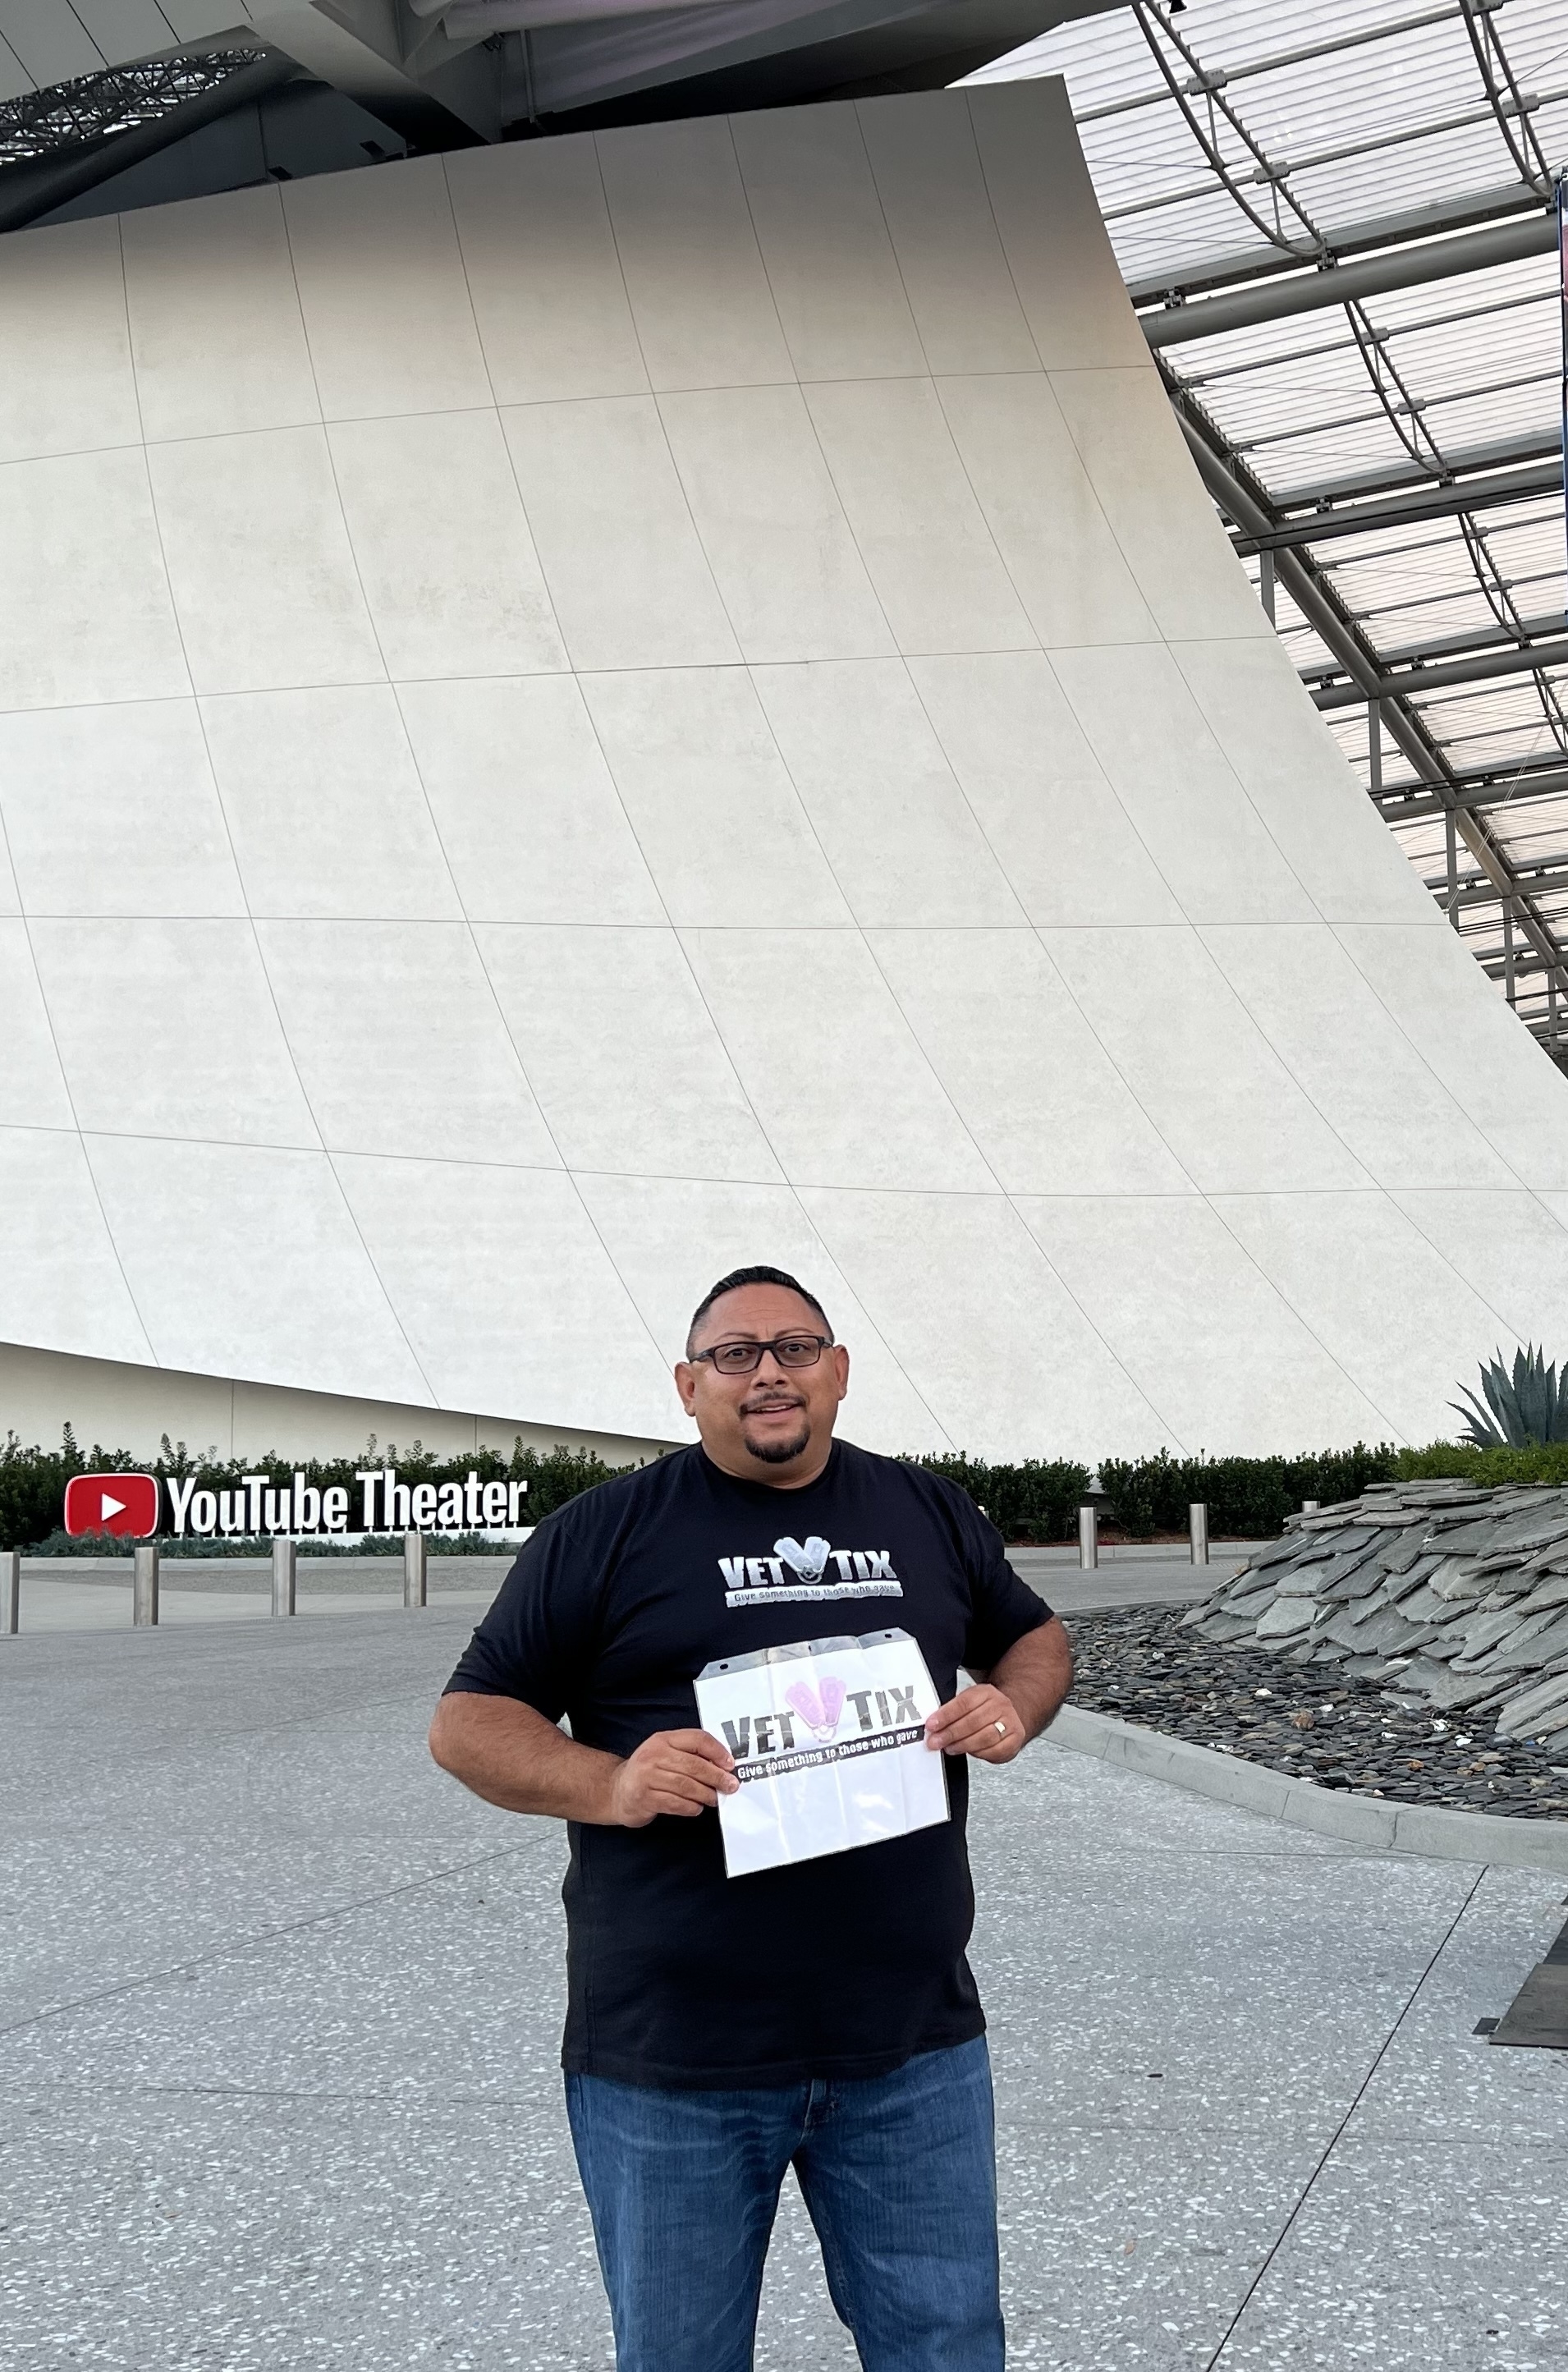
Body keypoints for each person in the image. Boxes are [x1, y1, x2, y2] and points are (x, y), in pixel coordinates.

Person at [429, 1264, 1074, 2372]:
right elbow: (468, 1722)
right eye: (735, 1354)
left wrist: (1012, 1704)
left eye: (795, 1348)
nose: (768, 1372)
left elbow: (1034, 1635)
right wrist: (612, 1782)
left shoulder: (924, 1510)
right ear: (689, 1386)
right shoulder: (604, 1533)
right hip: (674, 2060)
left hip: (910, 2043)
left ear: (839, 1371)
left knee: (948, 2350)